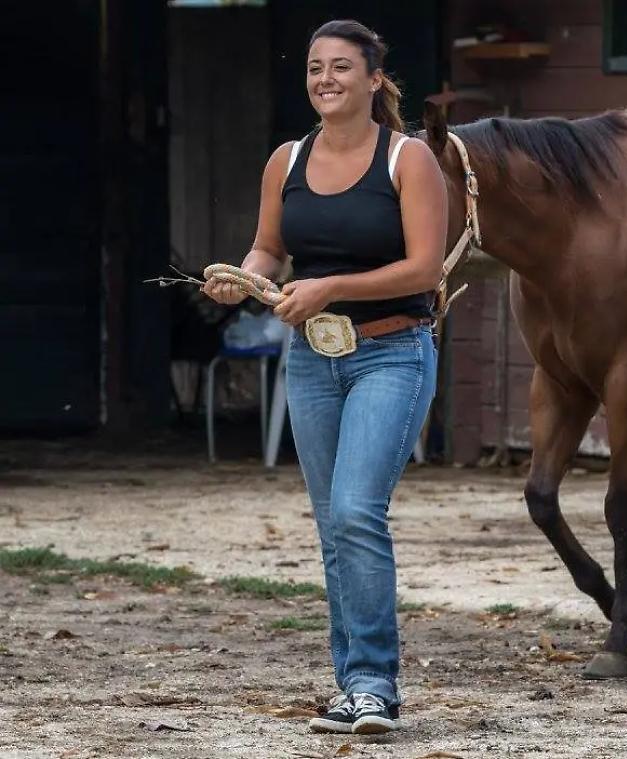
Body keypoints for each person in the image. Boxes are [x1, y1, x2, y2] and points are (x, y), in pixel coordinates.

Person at [202, 19, 446, 735]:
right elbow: (269, 248)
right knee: (331, 526)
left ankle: (374, 682)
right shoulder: (287, 159)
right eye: (315, 68)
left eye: (342, 67)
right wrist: (242, 279)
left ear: (375, 80)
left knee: (355, 513)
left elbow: (424, 269)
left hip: (392, 354)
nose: (325, 80)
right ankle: (352, 686)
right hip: (311, 358)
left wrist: (330, 287)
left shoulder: (408, 160)